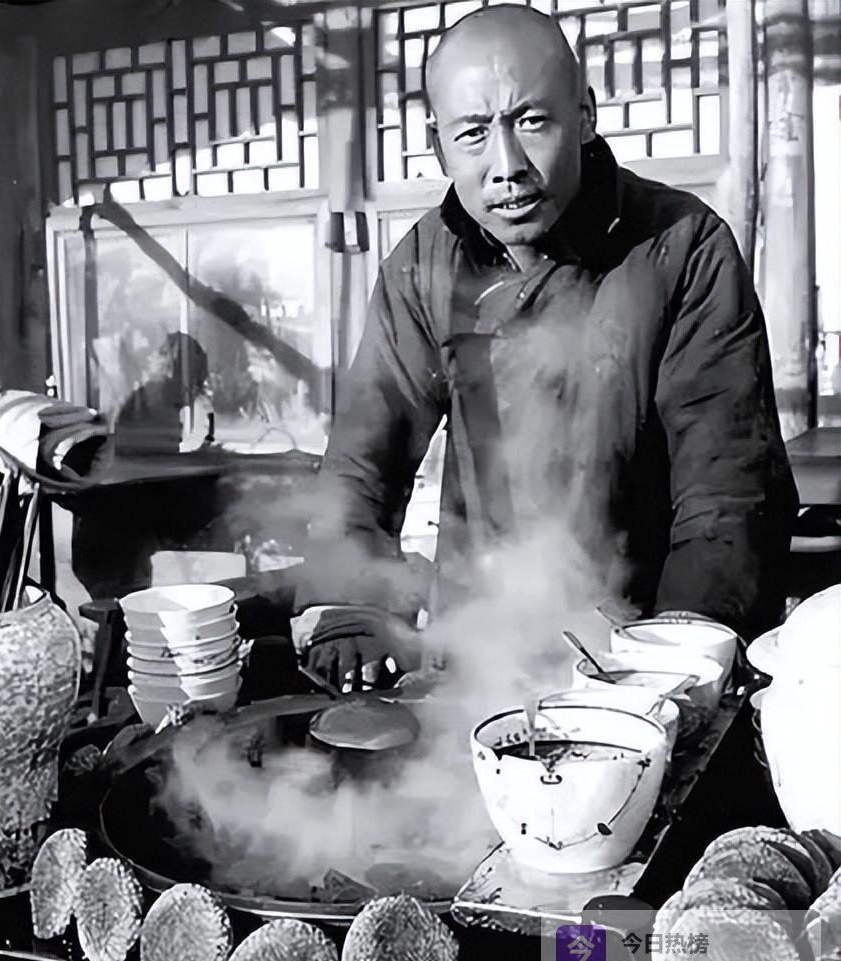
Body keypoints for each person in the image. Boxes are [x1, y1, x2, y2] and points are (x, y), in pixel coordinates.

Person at [297, 6, 797, 691]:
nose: (507, 167)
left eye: (531, 122)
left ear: (585, 115)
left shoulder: (681, 246)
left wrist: (679, 656)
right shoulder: (424, 264)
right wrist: (350, 606)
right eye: (473, 133)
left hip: (643, 648)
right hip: (480, 651)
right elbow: (365, 458)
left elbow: (728, 486)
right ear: (438, 145)